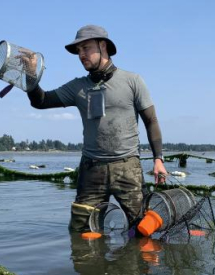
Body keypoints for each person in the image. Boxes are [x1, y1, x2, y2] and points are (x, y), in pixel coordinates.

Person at [22, 25, 167, 232]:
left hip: (127, 168)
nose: (81, 55)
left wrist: (158, 159)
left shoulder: (133, 81)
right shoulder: (77, 87)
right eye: (78, 51)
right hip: (91, 170)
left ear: (103, 46)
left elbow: (151, 120)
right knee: (82, 232)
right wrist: (30, 74)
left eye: (86, 48)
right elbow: (41, 101)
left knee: (141, 230)